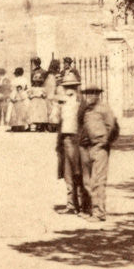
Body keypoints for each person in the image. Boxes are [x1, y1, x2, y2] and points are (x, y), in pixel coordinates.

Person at [78, 85, 119, 223]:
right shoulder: (84, 110)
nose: (89, 96)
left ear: (98, 94)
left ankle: (99, 212)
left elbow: (112, 127)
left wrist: (104, 142)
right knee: (87, 181)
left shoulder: (104, 109)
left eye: (92, 93)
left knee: (98, 180)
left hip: (99, 147)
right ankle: (90, 209)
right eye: (87, 94)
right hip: (85, 146)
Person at [54, 71, 89, 215]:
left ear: (76, 87)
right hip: (65, 140)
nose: (69, 90)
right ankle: (71, 205)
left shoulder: (81, 103)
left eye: (72, 87)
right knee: (67, 173)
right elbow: (57, 122)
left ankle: (83, 206)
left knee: (79, 173)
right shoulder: (63, 104)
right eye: (66, 87)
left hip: (77, 140)